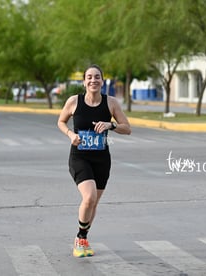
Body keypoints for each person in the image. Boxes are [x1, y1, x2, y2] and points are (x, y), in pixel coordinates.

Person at [57, 64, 131, 258]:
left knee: (94, 203)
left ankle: (84, 237)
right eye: (89, 77)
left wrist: (111, 125)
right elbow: (60, 121)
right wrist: (70, 134)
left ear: (102, 80)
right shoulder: (74, 101)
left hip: (101, 159)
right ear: (84, 81)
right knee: (88, 197)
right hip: (79, 156)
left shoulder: (111, 103)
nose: (93, 80)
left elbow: (127, 128)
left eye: (97, 77)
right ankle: (80, 238)